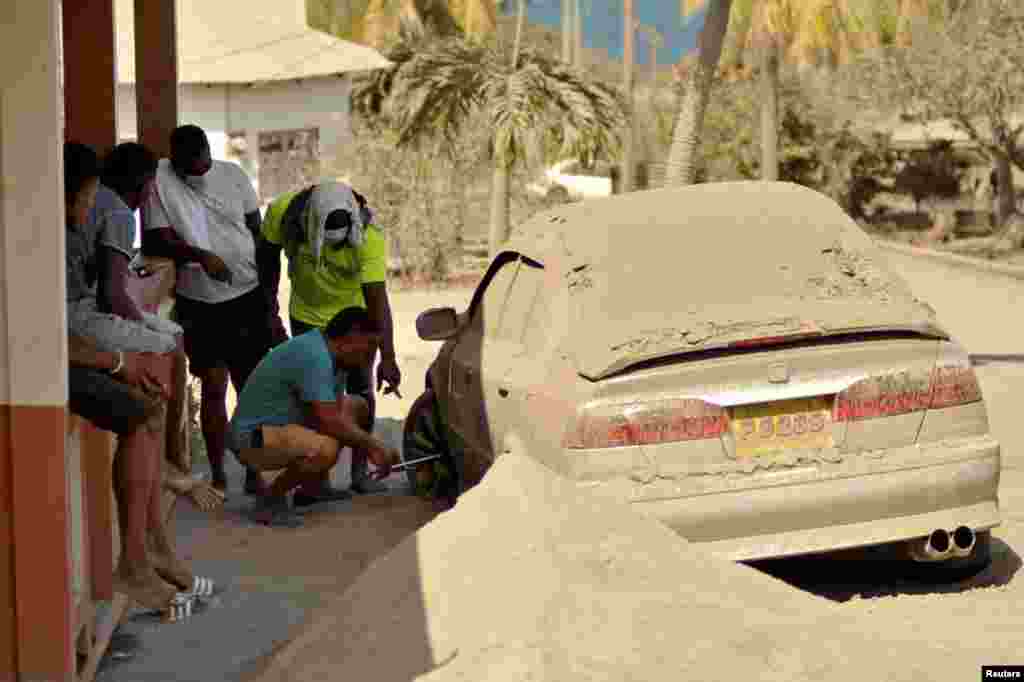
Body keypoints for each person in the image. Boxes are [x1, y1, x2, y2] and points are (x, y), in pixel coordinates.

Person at [64, 141, 208, 611]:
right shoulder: (117, 213)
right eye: (84, 198)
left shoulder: (88, 214)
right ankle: (146, 542)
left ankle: (152, 546)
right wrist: (127, 349)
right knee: (162, 351)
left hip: (74, 333)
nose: (88, 209)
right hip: (68, 338)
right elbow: (111, 294)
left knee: (147, 395)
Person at [141, 125, 288, 497]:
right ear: (175, 162)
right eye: (191, 167)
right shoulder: (161, 182)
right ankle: (220, 473)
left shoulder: (233, 175)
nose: (200, 172)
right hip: (199, 304)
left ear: (209, 151)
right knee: (213, 387)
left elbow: (257, 234)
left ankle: (254, 469)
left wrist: (269, 301)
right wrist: (201, 256)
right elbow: (158, 237)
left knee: (251, 389)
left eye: (204, 162)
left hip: (247, 296)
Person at [261, 181, 401, 501]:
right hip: (307, 317)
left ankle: (360, 474)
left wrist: (388, 357)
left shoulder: (370, 238)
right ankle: (315, 483)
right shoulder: (284, 214)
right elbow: (266, 265)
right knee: (316, 399)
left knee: (362, 393)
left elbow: (378, 301)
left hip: (353, 321)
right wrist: (270, 314)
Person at [228, 307, 399, 527]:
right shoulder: (315, 355)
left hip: (278, 427)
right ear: (352, 336)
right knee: (325, 449)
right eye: (369, 347)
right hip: (252, 438)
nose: (370, 357)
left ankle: (314, 489)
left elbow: (335, 415)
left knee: (357, 406)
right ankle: (269, 500)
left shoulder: (336, 358)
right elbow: (329, 421)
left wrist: (373, 447)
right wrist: (374, 446)